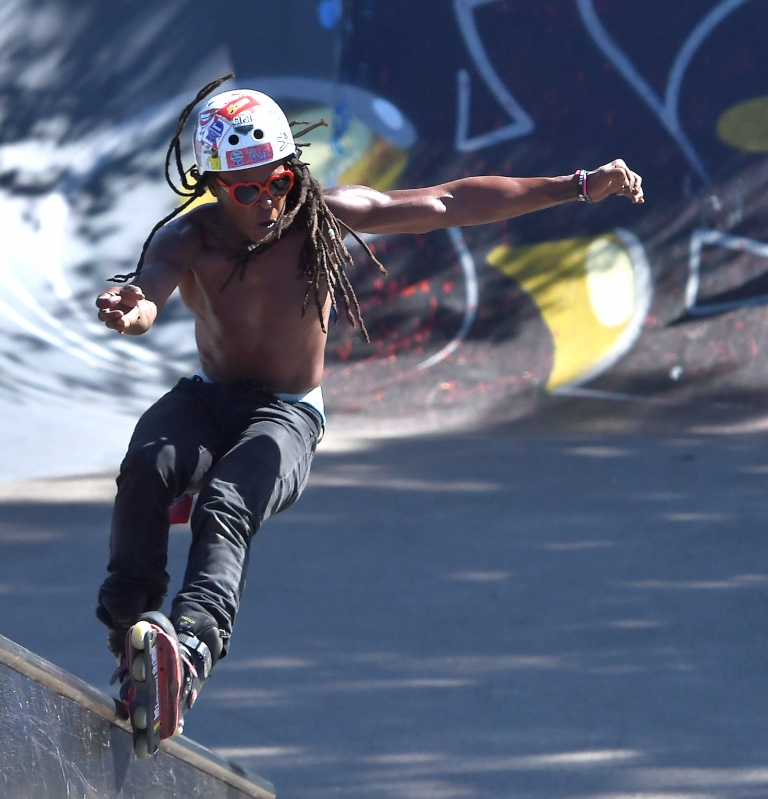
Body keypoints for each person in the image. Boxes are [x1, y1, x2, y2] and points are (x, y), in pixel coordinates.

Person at [93, 75, 644, 757]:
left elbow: (448, 200)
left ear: (293, 174)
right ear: (213, 187)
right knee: (147, 463)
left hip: (287, 413)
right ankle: (135, 642)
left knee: (228, 500)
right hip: (208, 398)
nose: (268, 202)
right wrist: (134, 310)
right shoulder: (187, 239)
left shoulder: (320, 216)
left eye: (278, 183)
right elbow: (147, 292)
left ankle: (193, 649)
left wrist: (578, 185)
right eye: (246, 191)